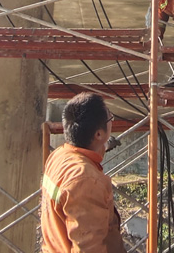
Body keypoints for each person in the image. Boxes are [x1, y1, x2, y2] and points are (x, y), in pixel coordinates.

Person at [41, 93, 127, 253]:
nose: (111, 122)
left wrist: (104, 145)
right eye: (110, 118)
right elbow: (89, 247)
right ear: (98, 134)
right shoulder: (85, 181)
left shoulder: (58, 156)